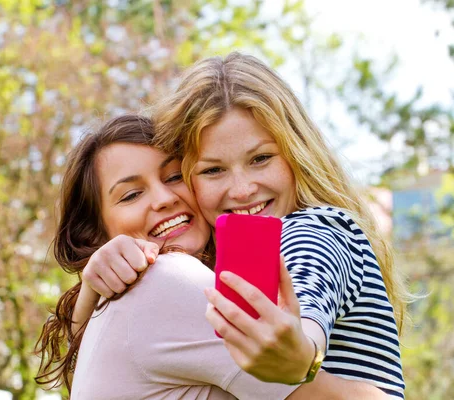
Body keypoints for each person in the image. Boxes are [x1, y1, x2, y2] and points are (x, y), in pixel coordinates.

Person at [80, 53, 409, 398]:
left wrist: (302, 354)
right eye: (213, 170)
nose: (241, 190)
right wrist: (91, 287)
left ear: (297, 152)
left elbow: (306, 298)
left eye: (261, 159)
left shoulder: (312, 230)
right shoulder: (218, 267)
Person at [35, 115, 387, 399]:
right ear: (96, 234)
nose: (163, 198)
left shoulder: (122, 302)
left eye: (174, 176)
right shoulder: (172, 281)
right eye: (130, 195)